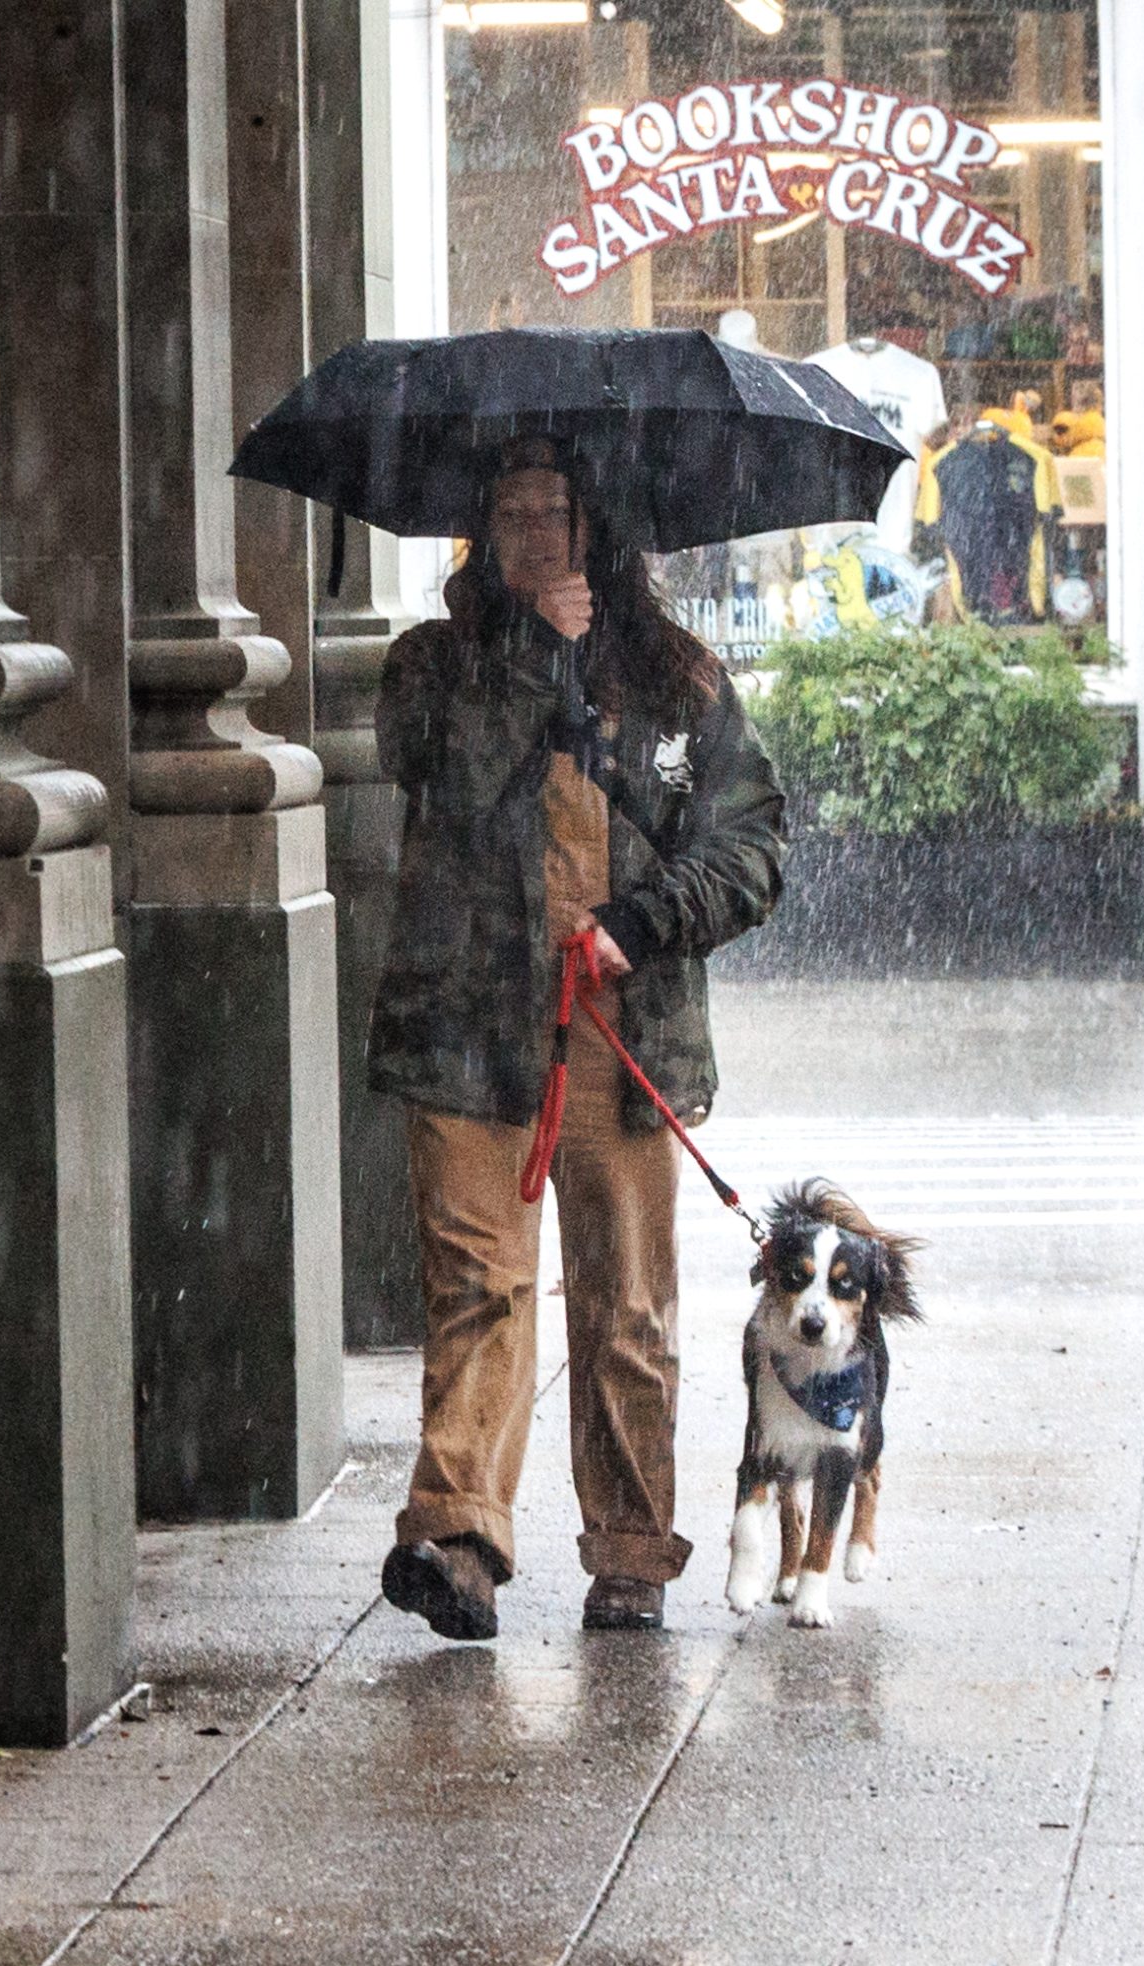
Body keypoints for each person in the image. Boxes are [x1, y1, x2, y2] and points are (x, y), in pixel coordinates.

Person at [369, 436, 787, 1639]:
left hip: (623, 1026)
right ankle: (458, 1539)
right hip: (465, 1031)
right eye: (509, 514)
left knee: (626, 1305)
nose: (534, 535)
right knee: (476, 1289)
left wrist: (640, 926)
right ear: (479, 537)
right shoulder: (432, 667)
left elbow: (752, 847)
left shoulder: (679, 680)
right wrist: (531, 658)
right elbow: (435, 777)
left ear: (598, 529)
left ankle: (631, 1549)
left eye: (555, 511)